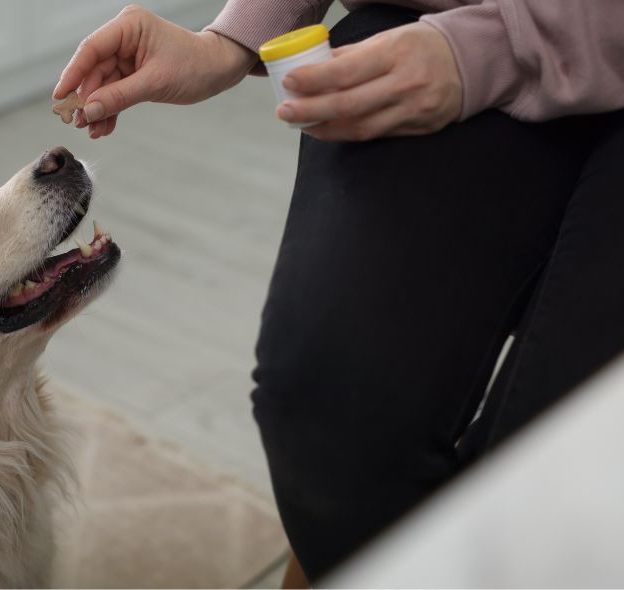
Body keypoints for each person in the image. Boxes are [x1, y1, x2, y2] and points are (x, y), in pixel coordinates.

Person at [54, 0, 624, 583]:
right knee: (324, 418)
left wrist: (490, 50)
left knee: (552, 489)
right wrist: (232, 40)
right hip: (430, 31)